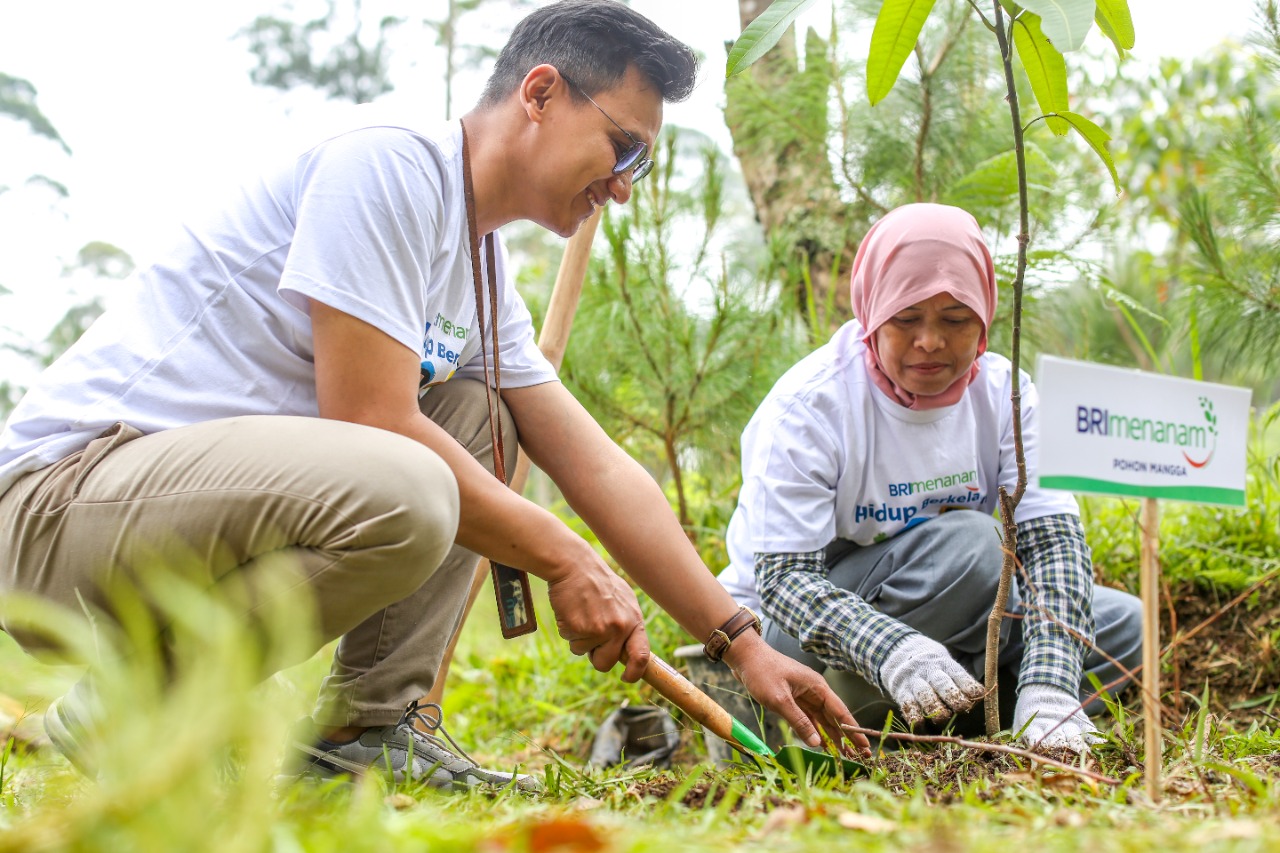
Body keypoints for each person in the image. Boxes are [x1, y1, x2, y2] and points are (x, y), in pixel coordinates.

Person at [0, 0, 869, 789]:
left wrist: (741, 641)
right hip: (57, 509)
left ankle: (366, 726)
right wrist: (565, 559)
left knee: (486, 418)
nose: (624, 184)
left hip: (176, 516)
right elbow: (371, 419)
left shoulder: (481, 275)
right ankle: (134, 702)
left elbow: (598, 468)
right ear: (540, 94)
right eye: (624, 147)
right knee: (410, 483)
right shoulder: (386, 166)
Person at [716, 203, 1144, 752]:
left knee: (1123, 628)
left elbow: (1054, 545)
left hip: (953, 614)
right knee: (974, 549)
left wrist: (1051, 684)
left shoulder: (1007, 396)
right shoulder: (811, 407)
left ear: (985, 316)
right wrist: (894, 650)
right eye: (906, 318)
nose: (931, 341)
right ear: (872, 313)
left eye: (956, 319)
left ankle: (979, 712)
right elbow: (785, 583)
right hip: (793, 639)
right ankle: (836, 712)